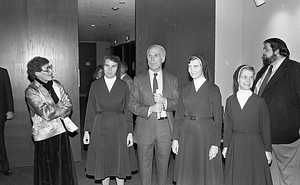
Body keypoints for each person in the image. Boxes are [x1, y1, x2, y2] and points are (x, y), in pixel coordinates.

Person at [128, 44, 179, 185]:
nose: (152, 59)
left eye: (155, 55)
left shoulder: (172, 79)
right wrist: (150, 109)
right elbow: (131, 104)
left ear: (163, 58)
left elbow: (178, 103)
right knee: (144, 170)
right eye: (149, 56)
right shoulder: (138, 79)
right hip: (145, 128)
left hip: (166, 129)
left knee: (163, 170)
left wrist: (165, 101)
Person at [252, 38, 300, 185]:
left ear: (277, 51)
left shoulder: (294, 69)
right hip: (265, 135)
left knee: (290, 177)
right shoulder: (263, 71)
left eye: (265, 49)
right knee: (272, 177)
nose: (262, 52)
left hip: (286, 134)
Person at [83, 55, 136, 185]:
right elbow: (90, 109)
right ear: (103, 67)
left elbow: (128, 110)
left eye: (113, 66)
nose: (110, 69)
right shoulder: (95, 85)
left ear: (117, 68)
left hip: (119, 125)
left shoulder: (123, 86)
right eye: (107, 66)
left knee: (119, 161)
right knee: (103, 161)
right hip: (100, 125)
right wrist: (86, 131)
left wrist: (130, 132)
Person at [25, 56, 78, 185]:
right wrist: (60, 107)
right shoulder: (31, 91)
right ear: (37, 73)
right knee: (48, 173)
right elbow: (45, 113)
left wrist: (57, 108)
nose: (50, 71)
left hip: (61, 131)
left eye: (50, 67)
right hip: (45, 135)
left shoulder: (57, 84)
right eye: (47, 69)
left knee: (63, 169)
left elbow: (69, 105)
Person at [171, 54, 223, 185]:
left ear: (203, 67)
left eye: (196, 66)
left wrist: (215, 144)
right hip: (187, 134)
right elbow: (178, 116)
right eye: (189, 67)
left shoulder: (213, 89)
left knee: (206, 174)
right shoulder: (184, 89)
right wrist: (175, 139)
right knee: (188, 172)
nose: (192, 70)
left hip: (205, 134)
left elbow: (218, 119)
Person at [222, 65, 272, 185]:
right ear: (238, 79)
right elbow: (228, 126)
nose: (248, 80)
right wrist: (226, 146)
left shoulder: (260, 102)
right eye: (245, 77)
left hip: (255, 145)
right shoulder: (230, 101)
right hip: (235, 144)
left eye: (251, 77)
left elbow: (265, 127)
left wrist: (267, 150)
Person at [0, 67, 14, 176]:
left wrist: (10, 110)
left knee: (0, 142)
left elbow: (8, 92)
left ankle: (5, 167)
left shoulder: (2, 72)